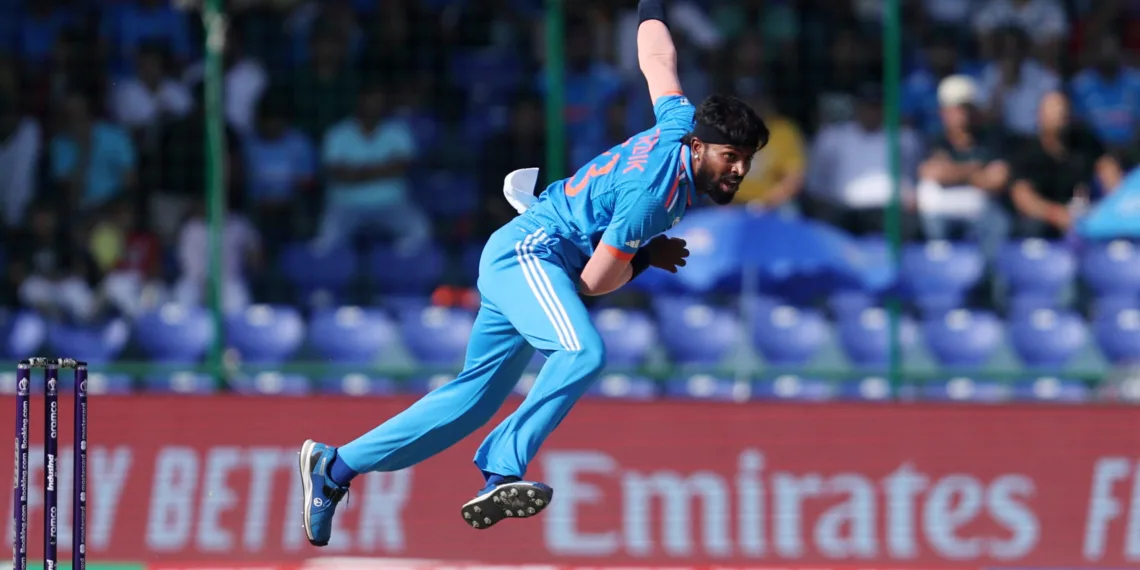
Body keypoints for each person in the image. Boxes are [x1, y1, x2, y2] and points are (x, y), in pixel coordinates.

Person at [296, 0, 769, 546]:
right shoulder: (653, 195)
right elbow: (593, 282)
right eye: (731, 156)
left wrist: (649, 7)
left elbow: (657, 58)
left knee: (469, 401)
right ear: (698, 146)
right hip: (532, 254)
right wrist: (643, 258)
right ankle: (502, 468)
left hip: (527, 259)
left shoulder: (681, 123)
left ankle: (333, 470)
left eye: (746, 160)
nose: (738, 170)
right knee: (583, 352)